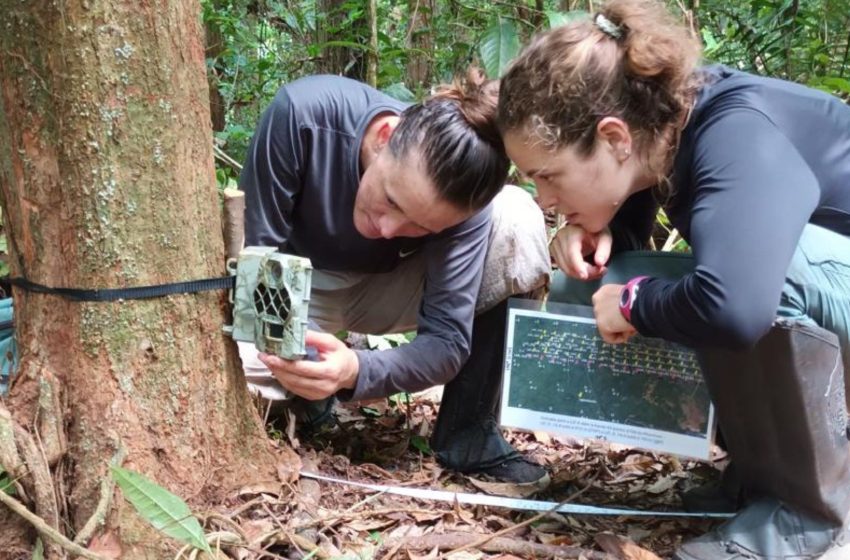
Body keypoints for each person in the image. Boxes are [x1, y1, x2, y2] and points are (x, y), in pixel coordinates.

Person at [497, 0, 850, 558]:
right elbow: (633, 266)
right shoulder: (661, 131)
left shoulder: (736, 131)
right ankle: (759, 475)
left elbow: (737, 306)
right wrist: (594, 229)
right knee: (597, 282)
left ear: (614, 138)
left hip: (818, 280)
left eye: (549, 176)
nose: (543, 199)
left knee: (761, 273)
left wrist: (636, 303)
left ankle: (806, 517)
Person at [237, 69, 552, 486]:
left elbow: (446, 342)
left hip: (397, 289)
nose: (387, 230)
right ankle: (303, 398)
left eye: (422, 226)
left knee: (517, 219)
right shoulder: (304, 115)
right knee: (239, 366)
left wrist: (355, 371)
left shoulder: (467, 206)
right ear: (386, 136)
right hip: (298, 288)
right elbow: (258, 256)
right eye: (391, 199)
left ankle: (469, 434)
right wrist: (297, 351)